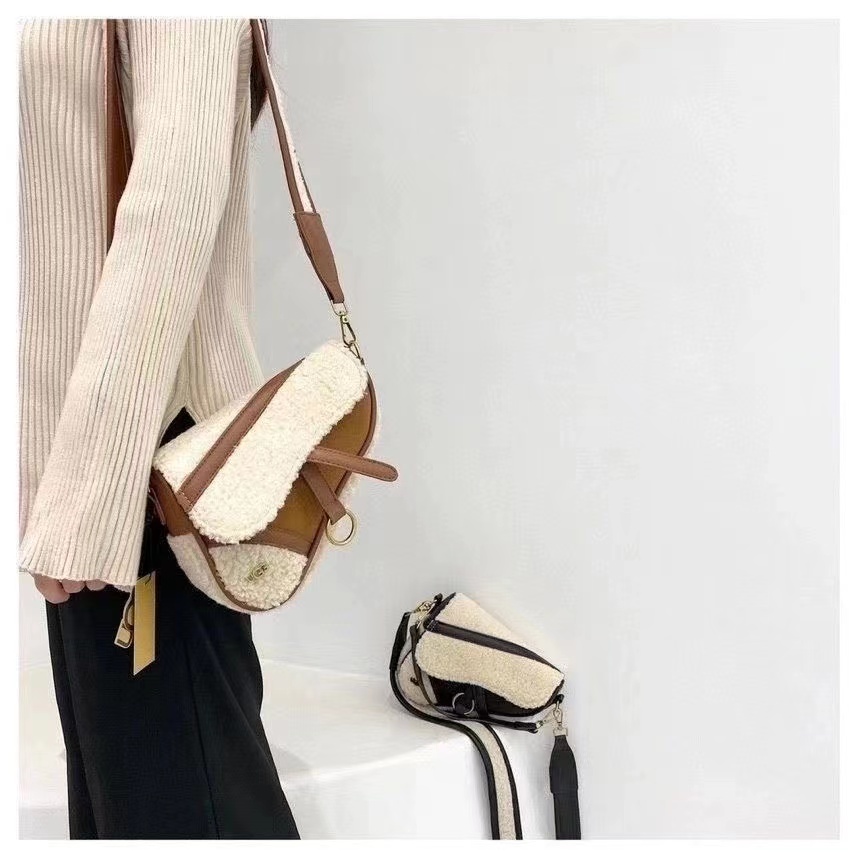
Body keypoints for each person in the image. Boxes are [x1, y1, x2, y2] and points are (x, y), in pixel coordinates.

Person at [19, 18, 300, 839]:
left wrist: (90, 493)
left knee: (181, 814)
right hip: (93, 464)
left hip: (153, 470)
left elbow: (172, 207)